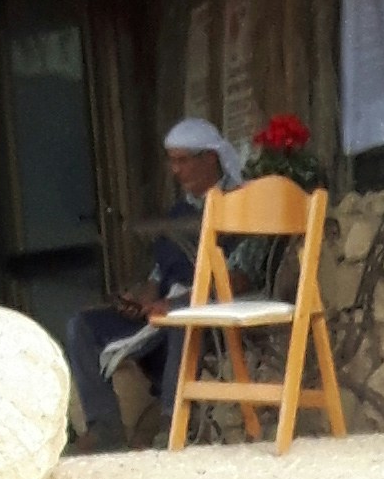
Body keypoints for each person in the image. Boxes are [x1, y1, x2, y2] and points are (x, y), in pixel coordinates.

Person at [67, 118, 248, 448]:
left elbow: (241, 277)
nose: (175, 170)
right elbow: (158, 275)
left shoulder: (243, 207)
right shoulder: (179, 213)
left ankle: (171, 421)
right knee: (81, 326)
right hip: (164, 308)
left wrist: (180, 302)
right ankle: (105, 427)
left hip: (212, 305)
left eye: (182, 160)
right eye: (172, 160)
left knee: (181, 315)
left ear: (209, 158)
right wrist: (140, 298)